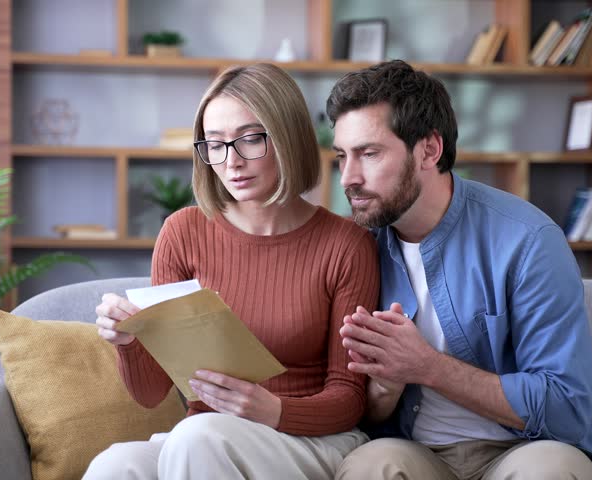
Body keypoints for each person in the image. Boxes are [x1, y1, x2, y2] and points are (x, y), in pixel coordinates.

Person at [329, 60, 592, 480]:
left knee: (554, 470)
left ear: (429, 150)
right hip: (417, 452)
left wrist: (428, 366)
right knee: (370, 465)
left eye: (369, 153)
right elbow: (357, 406)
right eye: (342, 156)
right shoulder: (357, 245)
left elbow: (565, 409)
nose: (348, 177)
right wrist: (383, 389)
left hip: (522, 450)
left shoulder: (527, 240)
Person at [83, 63, 379, 480]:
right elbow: (151, 395)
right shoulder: (182, 232)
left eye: (249, 139)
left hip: (311, 439)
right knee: (114, 466)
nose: (231, 161)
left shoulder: (346, 245)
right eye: (216, 144)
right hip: (206, 436)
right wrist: (128, 341)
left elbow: (350, 398)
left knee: (198, 437)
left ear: (288, 136)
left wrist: (272, 409)